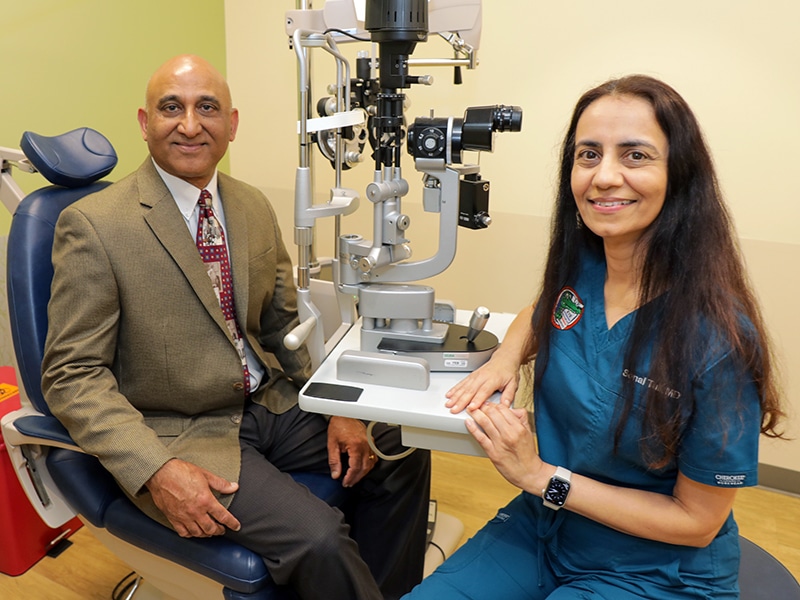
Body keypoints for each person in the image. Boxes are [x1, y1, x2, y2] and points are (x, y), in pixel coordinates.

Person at [42, 54, 431, 600]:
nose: (190, 124)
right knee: (318, 537)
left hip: (267, 400)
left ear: (232, 123)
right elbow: (71, 375)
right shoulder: (96, 225)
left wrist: (337, 405)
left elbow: (282, 324)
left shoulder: (248, 205)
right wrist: (156, 468)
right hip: (181, 430)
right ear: (143, 121)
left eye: (208, 108)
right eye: (171, 108)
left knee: (397, 442)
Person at [402, 75, 784, 599]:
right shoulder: (584, 262)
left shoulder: (717, 340)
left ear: (680, 174)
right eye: (588, 155)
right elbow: (542, 310)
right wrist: (505, 359)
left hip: (656, 567)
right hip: (545, 530)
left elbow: (697, 522)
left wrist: (540, 477)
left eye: (635, 156)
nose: (604, 176)